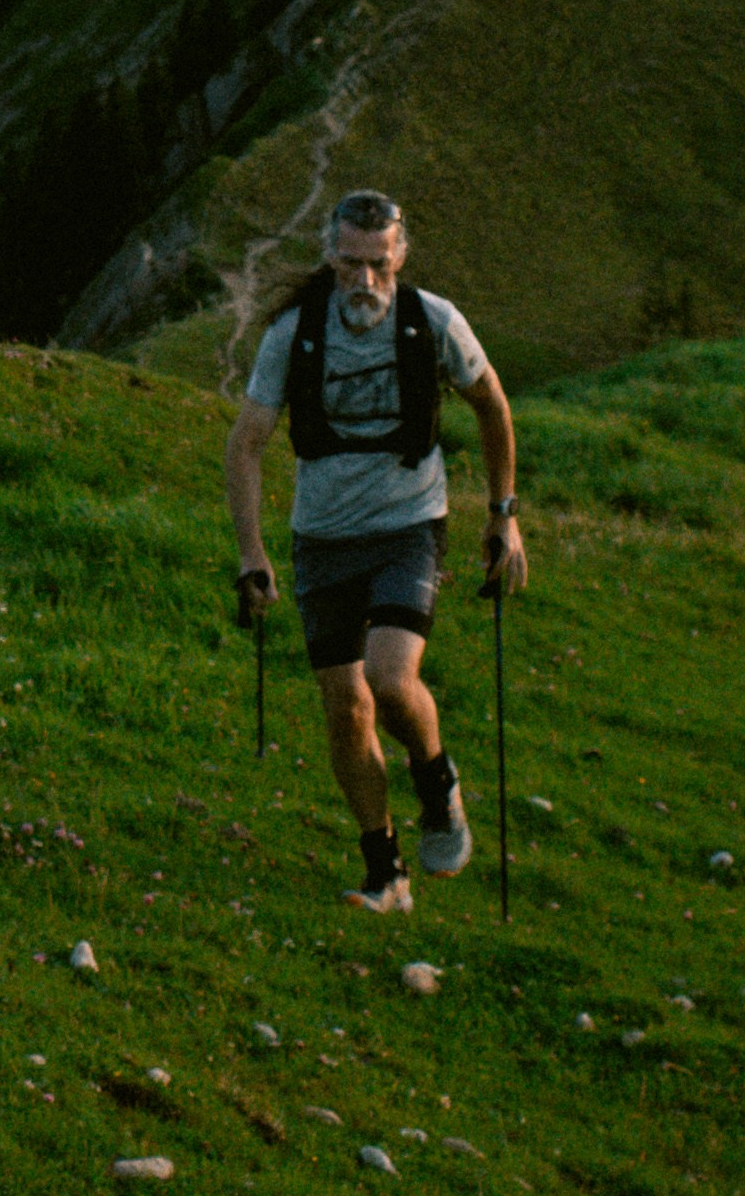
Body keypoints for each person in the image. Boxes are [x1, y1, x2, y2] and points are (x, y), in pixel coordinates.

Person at [225, 187, 528, 912]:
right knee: (344, 707)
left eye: (379, 266)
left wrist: (503, 516)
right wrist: (252, 553)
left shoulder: (435, 323)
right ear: (331, 257)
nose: (365, 281)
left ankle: (436, 783)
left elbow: (491, 404)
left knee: (391, 680)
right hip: (323, 537)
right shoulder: (293, 335)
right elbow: (246, 445)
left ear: (400, 257)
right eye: (351, 264)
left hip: (408, 524)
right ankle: (384, 872)